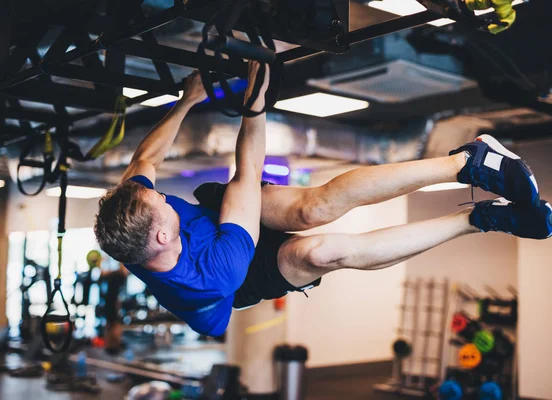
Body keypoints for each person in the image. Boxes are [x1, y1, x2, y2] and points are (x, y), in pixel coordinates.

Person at [95, 61, 551, 337]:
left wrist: (187, 100)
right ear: (160, 234)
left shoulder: (132, 218)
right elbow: (248, 171)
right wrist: (256, 106)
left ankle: (469, 163)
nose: (165, 200)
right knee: (326, 250)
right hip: (242, 282)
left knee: (311, 208)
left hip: (213, 220)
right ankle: (482, 219)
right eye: (164, 208)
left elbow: (146, 157)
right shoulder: (216, 273)